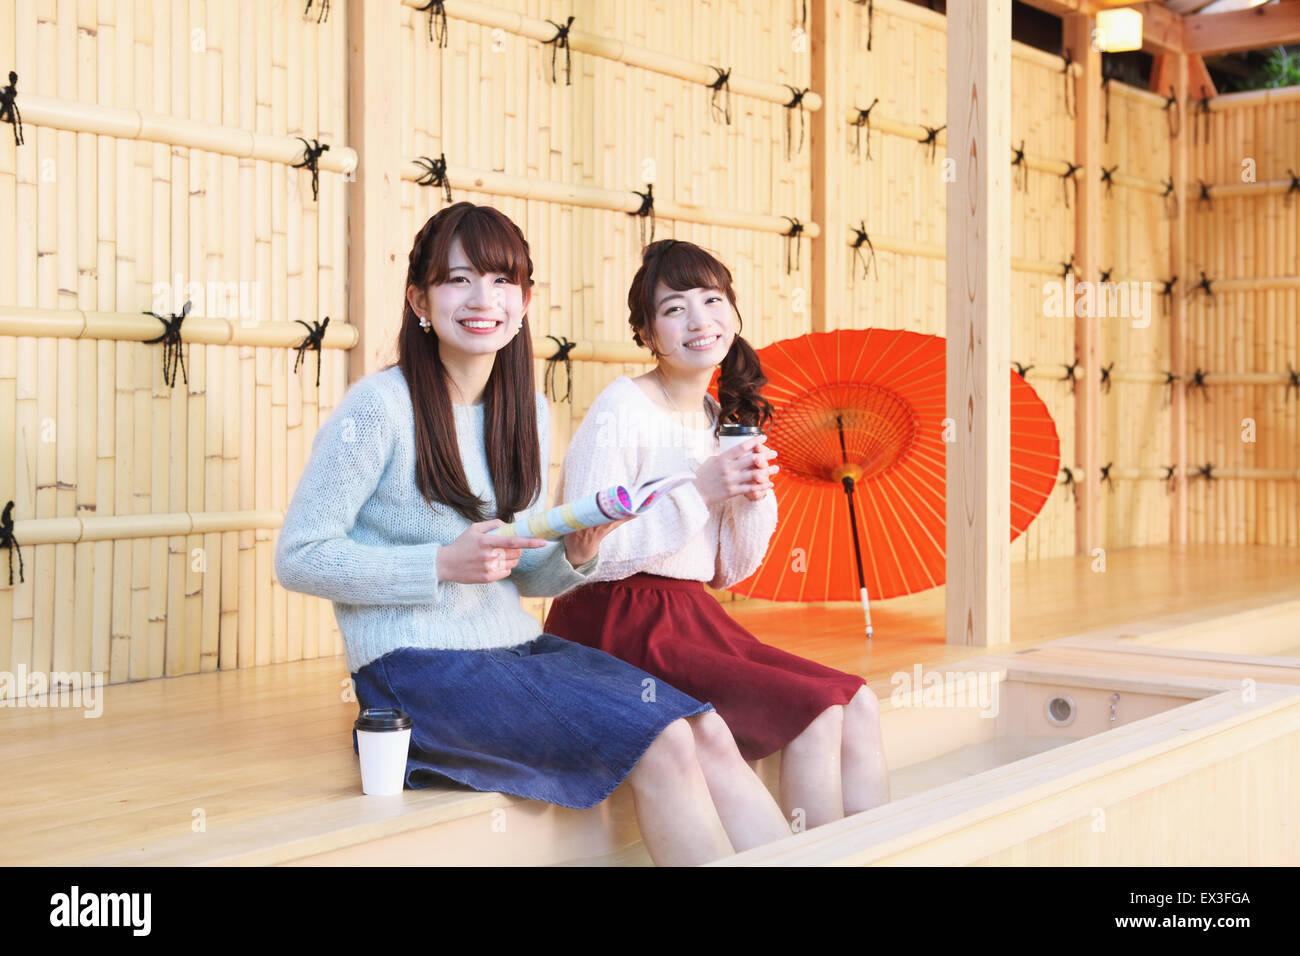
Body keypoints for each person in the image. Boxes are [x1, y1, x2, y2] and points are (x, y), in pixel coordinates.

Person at [274, 204, 790, 866]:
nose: (482, 299)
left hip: (514, 646)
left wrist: (578, 551)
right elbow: (300, 557)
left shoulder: (527, 412)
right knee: (662, 741)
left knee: (704, 726)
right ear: (419, 299)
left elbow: (526, 572)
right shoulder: (378, 409)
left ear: (525, 299)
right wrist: (439, 563)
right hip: (415, 667)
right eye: (458, 280)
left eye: (501, 280)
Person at [545, 239, 891, 829]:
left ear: (733, 313)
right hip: (612, 620)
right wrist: (700, 492)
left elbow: (729, 570)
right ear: (648, 334)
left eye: (712, 300)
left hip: (690, 614)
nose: (699, 319)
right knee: (816, 714)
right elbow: (584, 557)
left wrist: (753, 500)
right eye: (674, 307)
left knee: (857, 700)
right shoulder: (620, 408)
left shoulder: (722, 420)